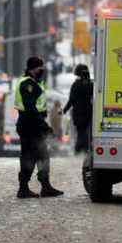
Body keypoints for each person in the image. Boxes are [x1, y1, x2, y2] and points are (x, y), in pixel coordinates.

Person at [14, 56, 64, 199]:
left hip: (34, 123)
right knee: (29, 157)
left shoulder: (35, 83)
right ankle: (23, 188)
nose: (42, 71)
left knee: (43, 156)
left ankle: (45, 186)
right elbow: (30, 108)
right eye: (39, 69)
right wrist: (44, 126)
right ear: (32, 69)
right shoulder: (27, 84)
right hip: (29, 124)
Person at [62, 63, 93, 154]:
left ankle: (79, 150)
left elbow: (71, 100)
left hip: (78, 114)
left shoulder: (76, 85)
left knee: (80, 132)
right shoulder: (91, 85)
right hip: (89, 113)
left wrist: (64, 110)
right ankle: (85, 149)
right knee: (86, 132)